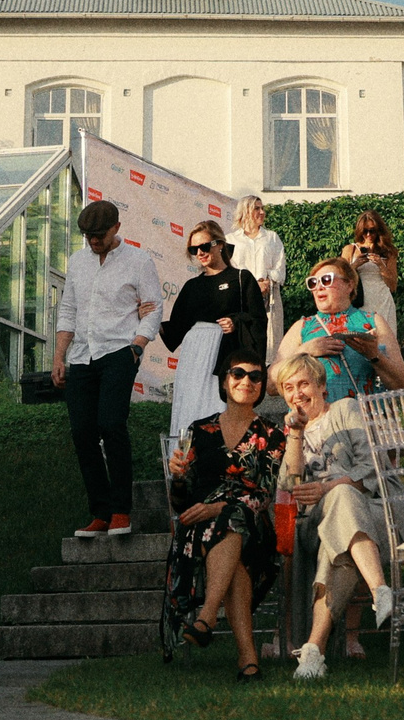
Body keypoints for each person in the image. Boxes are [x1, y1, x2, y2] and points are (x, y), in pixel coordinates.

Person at [268, 353, 393, 680]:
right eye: (289, 387)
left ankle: (313, 651)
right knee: (337, 500)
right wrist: (295, 435)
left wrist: (331, 485)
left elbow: (371, 466)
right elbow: (290, 486)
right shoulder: (290, 431)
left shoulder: (345, 410)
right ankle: (380, 589)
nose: (298, 393)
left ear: (322, 386)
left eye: (304, 384)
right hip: (311, 521)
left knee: (334, 541)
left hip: (365, 510)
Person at [162, 353, 280, 678]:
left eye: (255, 376)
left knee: (233, 520)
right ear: (225, 380)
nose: (246, 381)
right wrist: (178, 477)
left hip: (253, 525)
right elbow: (180, 502)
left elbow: (263, 495)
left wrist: (219, 507)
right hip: (198, 526)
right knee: (231, 539)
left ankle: (208, 616)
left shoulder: (272, 434)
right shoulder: (199, 431)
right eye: (238, 373)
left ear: (262, 384)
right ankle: (248, 659)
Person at [52, 198, 161, 541]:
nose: (93, 241)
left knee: (111, 424)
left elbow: (154, 307)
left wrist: (137, 346)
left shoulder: (138, 261)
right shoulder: (78, 262)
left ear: (116, 228)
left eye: (99, 234)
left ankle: (120, 509)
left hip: (119, 351)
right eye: (87, 235)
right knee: (82, 432)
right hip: (82, 355)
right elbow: (68, 309)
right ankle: (99, 511)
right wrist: (59, 356)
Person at [161, 218, 268, 413]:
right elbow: (176, 327)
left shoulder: (242, 278)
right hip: (194, 354)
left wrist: (236, 321)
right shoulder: (192, 286)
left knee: (221, 405)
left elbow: (258, 319)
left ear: (219, 244)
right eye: (194, 250)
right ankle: (188, 443)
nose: (200, 253)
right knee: (191, 406)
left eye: (204, 246)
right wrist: (146, 316)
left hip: (227, 352)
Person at [275, 257, 404, 403]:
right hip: (317, 421)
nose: (319, 287)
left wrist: (374, 355)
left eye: (327, 280)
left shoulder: (373, 322)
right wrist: (305, 350)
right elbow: (271, 385)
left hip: (363, 419)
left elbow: (402, 384)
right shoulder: (301, 327)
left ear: (349, 285)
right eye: (313, 282)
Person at [227, 197, 287, 363]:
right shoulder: (231, 240)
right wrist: (252, 285)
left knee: (270, 346)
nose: (262, 212)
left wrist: (266, 280)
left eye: (262, 208)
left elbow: (280, 270)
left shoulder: (272, 238)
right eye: (256, 208)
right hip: (241, 300)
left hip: (269, 300)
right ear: (245, 211)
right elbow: (229, 270)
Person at [342, 211, 401, 342]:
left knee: (385, 340)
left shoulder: (388, 251)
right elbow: (340, 278)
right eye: (365, 231)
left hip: (382, 300)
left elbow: (392, 285)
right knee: (359, 340)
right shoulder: (350, 249)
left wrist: (381, 265)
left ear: (379, 230)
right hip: (359, 300)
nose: (368, 235)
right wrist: (354, 265)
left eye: (372, 231)